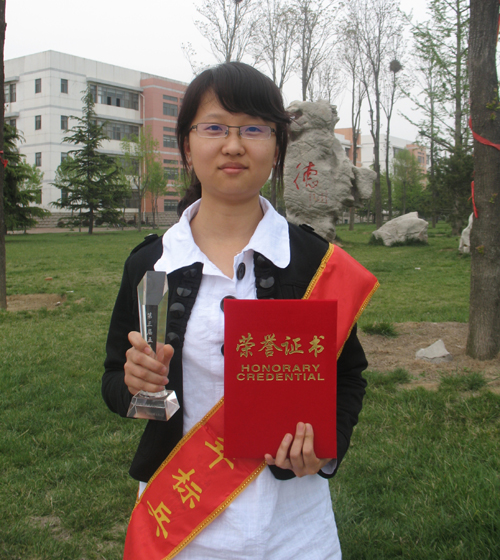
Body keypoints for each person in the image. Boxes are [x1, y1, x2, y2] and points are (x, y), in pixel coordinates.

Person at [102, 62, 375, 560]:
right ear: (187, 146)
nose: (233, 145)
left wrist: (326, 446)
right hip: (180, 522)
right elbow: (114, 382)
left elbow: (349, 375)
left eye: (254, 129)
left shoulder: (315, 263)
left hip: (294, 526)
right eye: (214, 128)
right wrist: (136, 386)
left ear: (277, 146)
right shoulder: (151, 265)